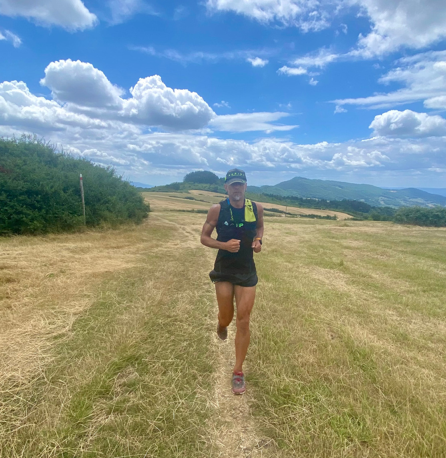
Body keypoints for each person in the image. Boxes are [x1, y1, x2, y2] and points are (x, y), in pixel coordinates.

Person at [200, 169, 264, 395]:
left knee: (244, 320)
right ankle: (221, 323)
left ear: (246, 186)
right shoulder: (217, 209)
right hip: (224, 270)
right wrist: (224, 245)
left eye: (240, 184)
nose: (237, 188)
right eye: (232, 185)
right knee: (227, 317)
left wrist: (258, 240)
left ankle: (238, 371)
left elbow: (259, 227)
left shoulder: (255, 208)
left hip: (246, 270)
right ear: (226, 188)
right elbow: (204, 238)